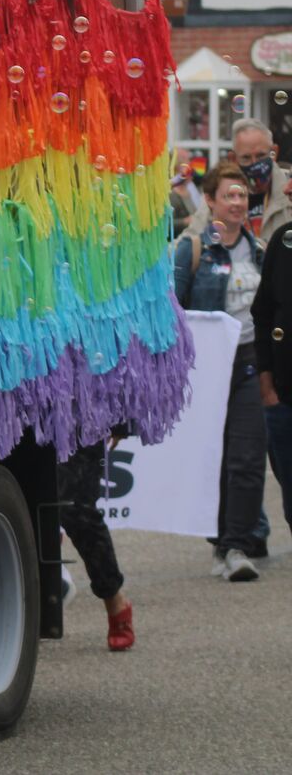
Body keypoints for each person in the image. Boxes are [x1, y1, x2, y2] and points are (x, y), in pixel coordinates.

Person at [173, 163, 269, 581]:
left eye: (242, 196)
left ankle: (236, 547)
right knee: (215, 459)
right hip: (208, 366)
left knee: (247, 460)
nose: (237, 203)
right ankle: (219, 542)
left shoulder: (261, 252)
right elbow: (174, 311)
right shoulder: (192, 248)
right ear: (209, 200)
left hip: (249, 362)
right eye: (229, 195)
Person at [58, 438, 135, 650]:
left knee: (77, 508)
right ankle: (44, 591)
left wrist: (122, 420)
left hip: (80, 416)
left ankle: (113, 598)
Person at [183, 118, 292, 245]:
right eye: (246, 158)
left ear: (274, 152)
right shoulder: (219, 193)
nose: (255, 164)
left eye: (261, 156)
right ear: (233, 158)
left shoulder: (288, 190)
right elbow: (190, 239)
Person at [251, 210, 292, 539]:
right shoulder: (282, 241)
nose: (289, 187)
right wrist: (267, 386)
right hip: (284, 399)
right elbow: (262, 314)